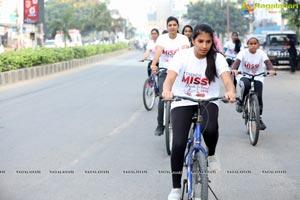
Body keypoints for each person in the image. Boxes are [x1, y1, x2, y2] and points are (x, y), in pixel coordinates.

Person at [162, 24, 236, 200]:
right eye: (200, 41)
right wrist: (167, 91)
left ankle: (211, 155)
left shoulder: (217, 58)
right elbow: (169, 78)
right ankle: (175, 188)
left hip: (207, 100)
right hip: (182, 101)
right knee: (178, 143)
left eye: (208, 42)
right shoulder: (182, 56)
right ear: (193, 40)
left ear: (212, 42)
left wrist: (230, 91)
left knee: (211, 129)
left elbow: (227, 80)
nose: (204, 45)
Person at [150, 16, 190, 136]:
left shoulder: (183, 39)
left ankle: (184, 123)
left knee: (183, 97)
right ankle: (160, 124)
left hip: (180, 73)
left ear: (178, 27)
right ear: (167, 27)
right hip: (165, 71)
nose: (172, 27)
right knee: (163, 97)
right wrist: (153, 64)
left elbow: (185, 52)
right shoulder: (162, 38)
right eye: (170, 25)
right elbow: (158, 51)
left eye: (174, 25)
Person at [231, 35, 276, 130]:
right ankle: (241, 101)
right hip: (243, 75)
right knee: (246, 85)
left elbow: (267, 62)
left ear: (258, 44)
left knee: (259, 96)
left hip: (258, 76)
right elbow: (237, 62)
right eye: (251, 44)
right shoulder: (243, 52)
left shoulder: (261, 53)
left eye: (255, 43)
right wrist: (234, 69)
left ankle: (259, 118)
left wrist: (271, 69)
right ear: (247, 44)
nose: (253, 45)